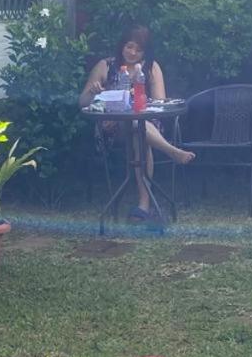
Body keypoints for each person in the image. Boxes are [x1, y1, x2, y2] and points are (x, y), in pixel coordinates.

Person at [78, 24, 195, 219]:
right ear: (122, 46)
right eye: (129, 47)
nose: (133, 53)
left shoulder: (150, 67)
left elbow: (160, 103)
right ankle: (172, 151)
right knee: (136, 129)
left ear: (145, 52)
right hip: (111, 129)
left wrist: (139, 94)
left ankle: (143, 205)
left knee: (137, 130)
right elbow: (82, 102)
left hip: (146, 125)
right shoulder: (105, 66)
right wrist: (93, 93)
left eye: (139, 50)